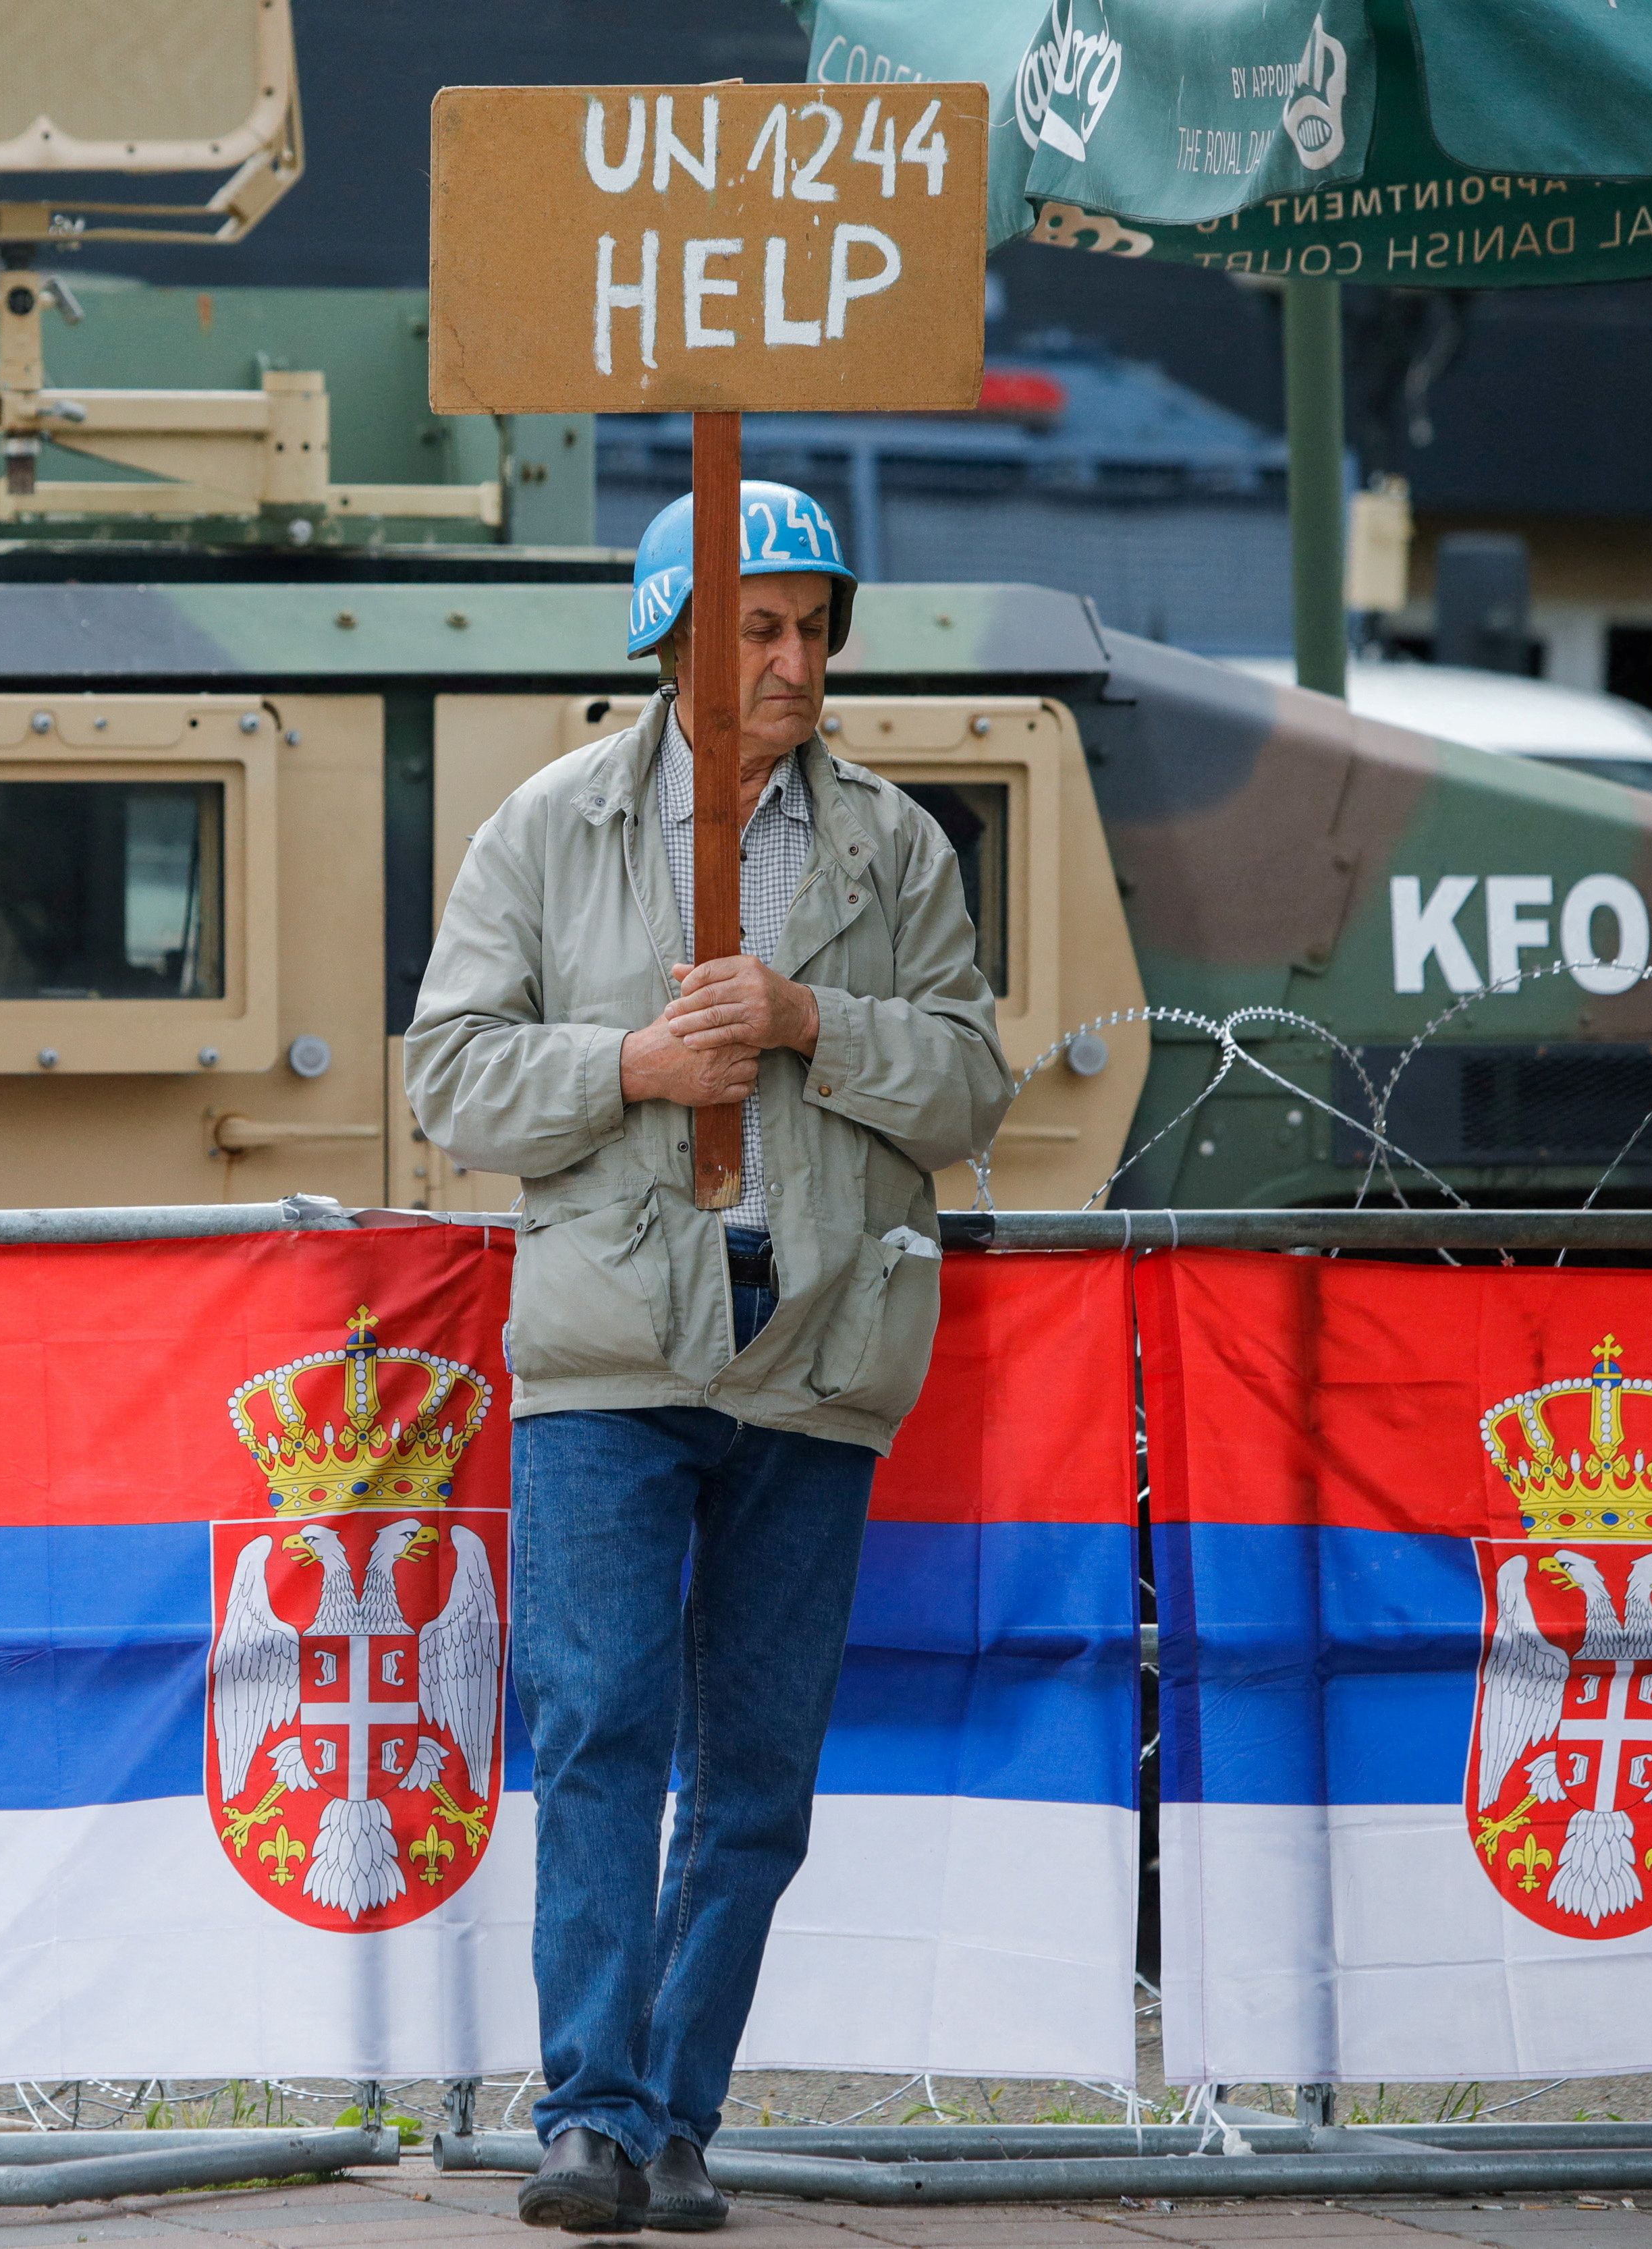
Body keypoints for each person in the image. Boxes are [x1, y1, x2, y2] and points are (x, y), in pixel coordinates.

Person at [404, 484, 1012, 2234]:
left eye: (818, 627)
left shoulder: (900, 848)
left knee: (756, 1768)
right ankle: (588, 2121)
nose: (801, 658)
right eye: (764, 626)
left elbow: (975, 1083)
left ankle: (676, 2122)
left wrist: (810, 1022)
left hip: (820, 1356)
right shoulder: (549, 827)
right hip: (610, 1350)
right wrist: (631, 1070)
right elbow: (449, 1076)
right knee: (597, 1724)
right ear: (674, 639)